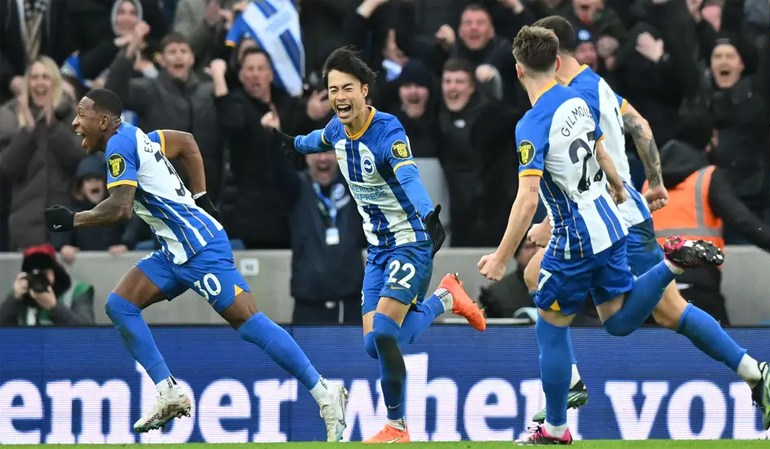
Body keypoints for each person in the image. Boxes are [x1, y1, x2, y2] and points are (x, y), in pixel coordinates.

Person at [519, 16, 770, 436]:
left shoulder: (566, 96)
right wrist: (654, 182)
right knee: (539, 275)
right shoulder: (597, 85)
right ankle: (753, 371)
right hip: (623, 213)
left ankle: (567, 385)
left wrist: (551, 221)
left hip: (613, 222)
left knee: (655, 313)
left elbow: (580, 170)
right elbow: (639, 125)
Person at [42, 88, 348, 441]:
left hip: (200, 249)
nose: (77, 122)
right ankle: (168, 391)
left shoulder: (118, 146)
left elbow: (120, 207)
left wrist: (73, 220)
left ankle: (325, 393)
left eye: (82, 115)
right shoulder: (137, 136)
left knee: (249, 322)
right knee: (120, 304)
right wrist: (201, 197)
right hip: (175, 251)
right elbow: (186, 143)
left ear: (105, 121)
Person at [477, 26, 724, 445]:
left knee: (550, 327)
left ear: (518, 71)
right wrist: (614, 184)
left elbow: (527, 198)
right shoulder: (575, 98)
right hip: (612, 225)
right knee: (617, 322)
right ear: (557, 64)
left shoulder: (531, 123)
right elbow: (601, 148)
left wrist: (501, 257)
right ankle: (670, 263)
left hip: (574, 240)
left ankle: (555, 431)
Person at [271, 46, 487, 443]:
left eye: (347, 88)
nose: (339, 96)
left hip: (411, 242)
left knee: (386, 332)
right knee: (375, 345)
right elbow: (319, 138)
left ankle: (397, 426)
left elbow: (407, 175)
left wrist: (428, 214)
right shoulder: (338, 128)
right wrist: (294, 142)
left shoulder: (388, 131)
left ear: (365, 90)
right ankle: (445, 297)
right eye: (333, 89)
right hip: (378, 252)